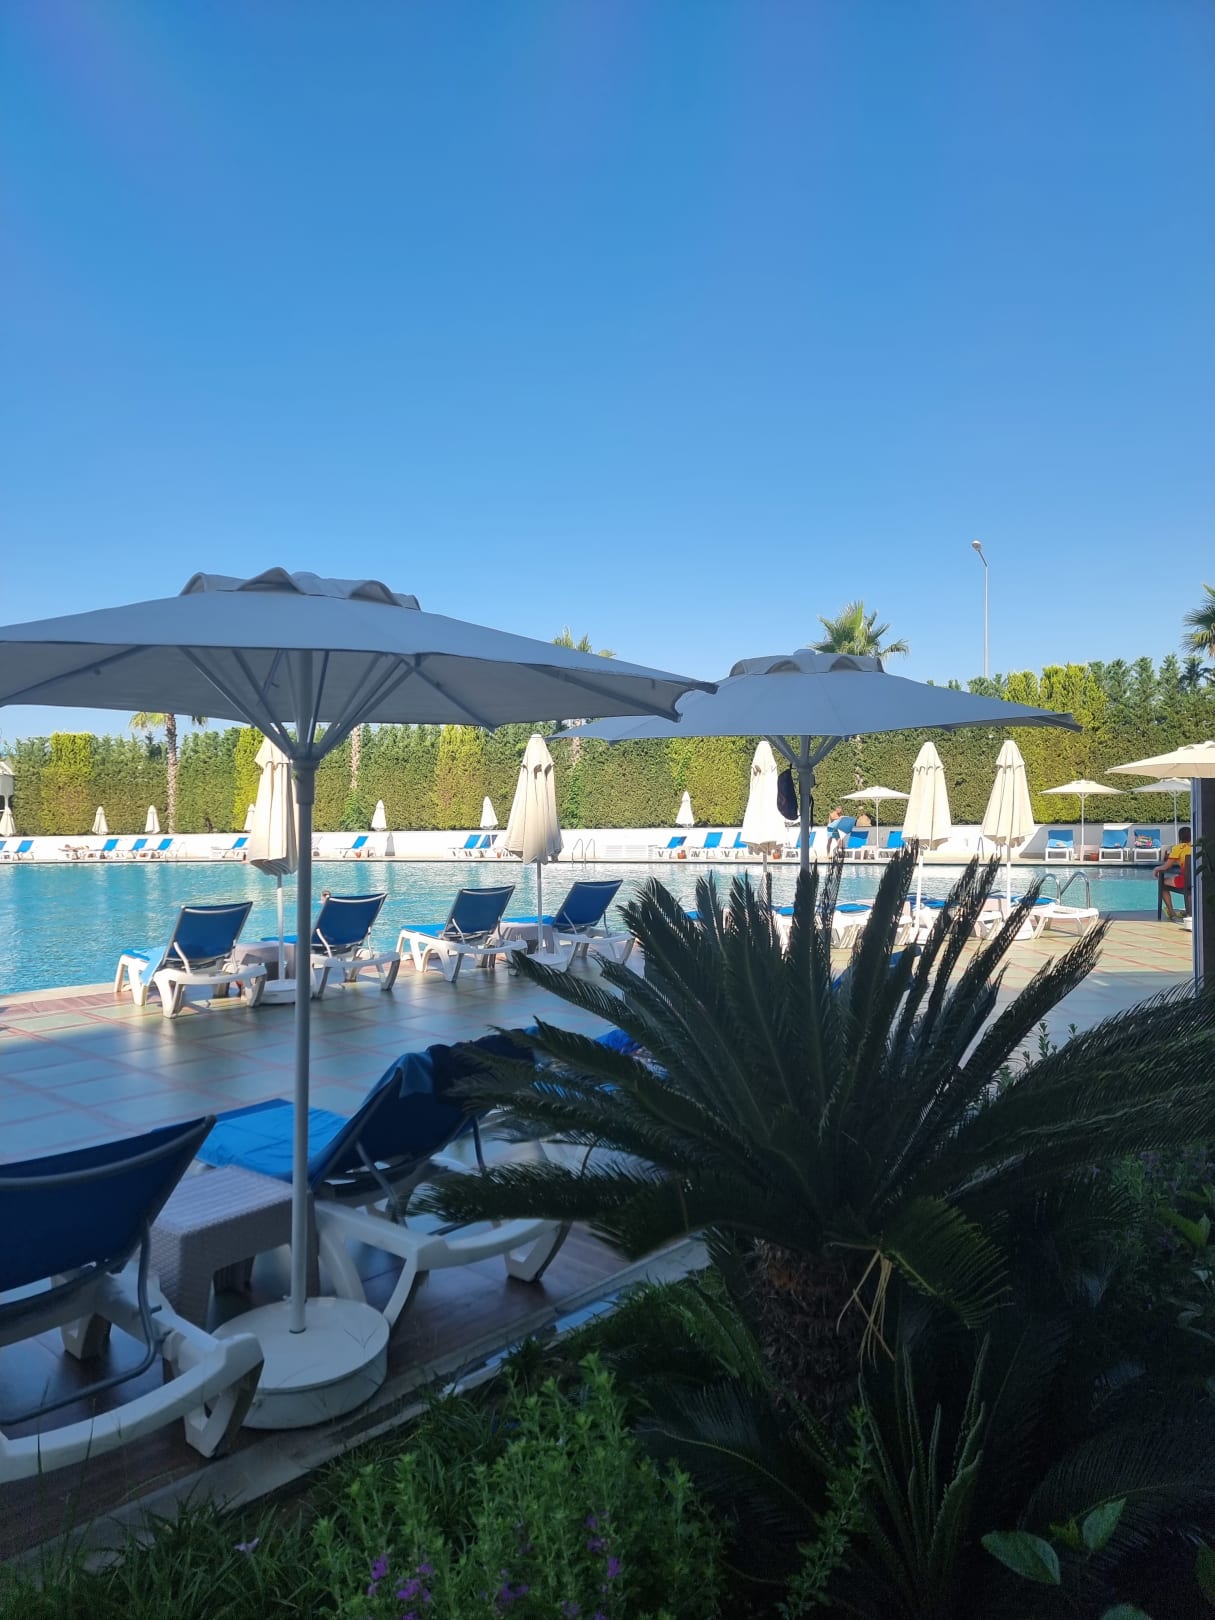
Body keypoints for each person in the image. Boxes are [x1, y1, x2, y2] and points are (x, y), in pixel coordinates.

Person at [1154, 824, 1192, 921]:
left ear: (1180, 837)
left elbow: (1166, 866)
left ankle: (1171, 912)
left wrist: (1156, 869)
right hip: (1197, 882)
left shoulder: (1178, 848)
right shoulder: (1196, 847)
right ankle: (1190, 910)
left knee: (1162, 882)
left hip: (1185, 881)